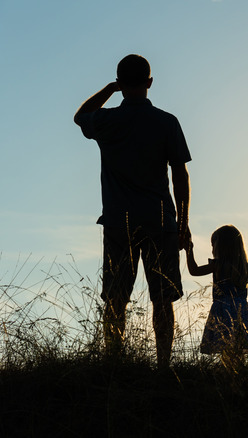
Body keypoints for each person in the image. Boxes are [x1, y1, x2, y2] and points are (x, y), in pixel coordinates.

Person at [74, 54, 192, 367]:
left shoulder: (107, 121)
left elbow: (80, 116)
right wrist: (184, 221)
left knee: (115, 298)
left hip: (118, 221)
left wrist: (109, 89)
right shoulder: (167, 122)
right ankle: (164, 366)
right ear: (150, 83)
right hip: (160, 220)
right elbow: (180, 174)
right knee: (163, 299)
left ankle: (113, 362)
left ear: (121, 82)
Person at [186, 225, 248, 367]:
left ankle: (229, 375)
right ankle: (238, 375)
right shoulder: (243, 267)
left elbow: (194, 271)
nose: (212, 248)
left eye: (213, 244)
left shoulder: (218, 265)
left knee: (227, 350)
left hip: (223, 311)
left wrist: (189, 249)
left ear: (220, 246)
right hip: (242, 312)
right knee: (238, 350)